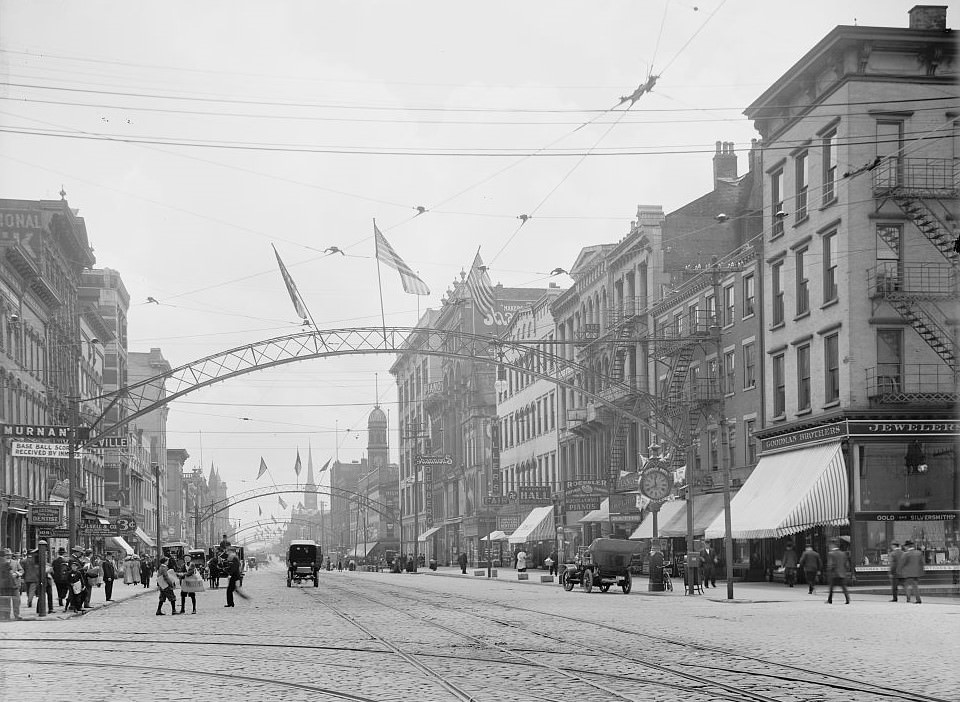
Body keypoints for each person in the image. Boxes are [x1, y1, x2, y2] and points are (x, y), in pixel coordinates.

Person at [825, 540, 851, 604]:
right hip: (842, 574)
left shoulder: (831, 554)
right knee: (844, 587)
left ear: (832, 546)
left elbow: (830, 564)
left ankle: (829, 600)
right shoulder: (843, 554)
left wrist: (829, 571)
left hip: (834, 574)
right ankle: (847, 599)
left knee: (831, 588)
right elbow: (847, 565)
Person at [0, 548, 22, 620]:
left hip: (15, 584)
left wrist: (17, 574)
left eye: (9, 554)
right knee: (6, 601)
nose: (8, 556)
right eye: (6, 555)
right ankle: (7, 615)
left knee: (17, 600)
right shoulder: (2, 563)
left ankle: (17, 615)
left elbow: (21, 570)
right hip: (6, 585)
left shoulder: (15, 562)